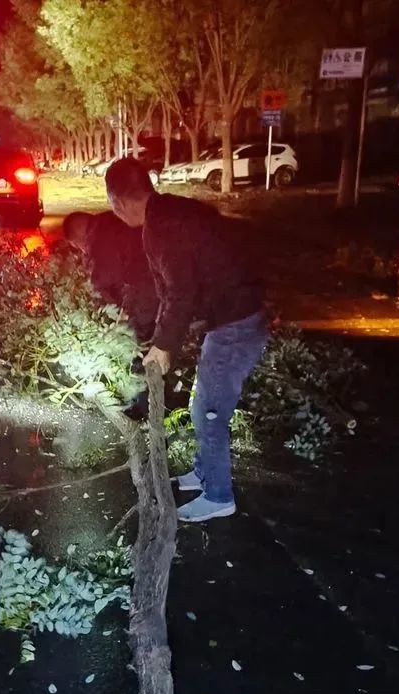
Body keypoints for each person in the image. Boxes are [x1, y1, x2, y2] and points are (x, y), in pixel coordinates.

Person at [105, 157, 267, 523]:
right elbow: (173, 290)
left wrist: (163, 345)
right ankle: (203, 472)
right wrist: (158, 335)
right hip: (233, 317)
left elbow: (179, 292)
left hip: (236, 324)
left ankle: (219, 495)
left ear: (119, 201)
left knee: (209, 412)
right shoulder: (169, 212)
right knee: (201, 400)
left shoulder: (162, 226)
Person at [62, 210, 157, 342]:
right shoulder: (113, 218)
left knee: (137, 340)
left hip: (145, 291)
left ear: (77, 234)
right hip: (160, 273)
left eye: (78, 246)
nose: (82, 250)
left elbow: (102, 283)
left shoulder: (97, 243)